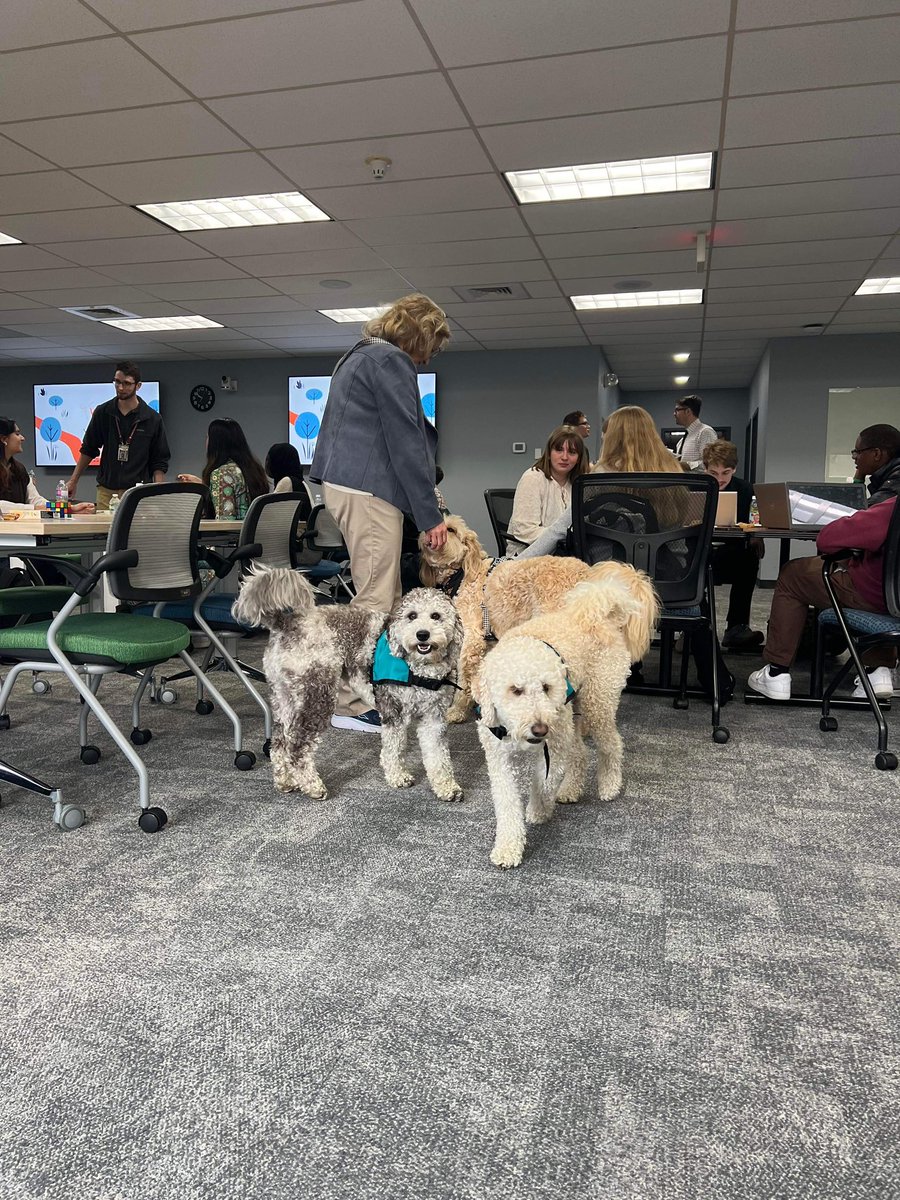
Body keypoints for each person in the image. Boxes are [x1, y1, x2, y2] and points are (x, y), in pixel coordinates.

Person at [309, 292, 450, 733]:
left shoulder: (360, 356)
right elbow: (404, 440)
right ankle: (348, 702)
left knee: (385, 596)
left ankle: (372, 690)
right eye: (432, 346)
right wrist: (429, 514)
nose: (428, 359)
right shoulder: (390, 361)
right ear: (419, 334)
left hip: (354, 486)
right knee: (374, 599)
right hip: (367, 489)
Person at [748, 497, 898, 701]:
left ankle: (776, 673)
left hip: (874, 595)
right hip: (892, 604)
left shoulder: (891, 509)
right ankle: (877, 671)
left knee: (793, 574)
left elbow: (827, 539)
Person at [66, 361, 170, 510]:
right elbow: (88, 449)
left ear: (138, 386)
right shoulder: (103, 412)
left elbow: (159, 460)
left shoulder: (152, 418)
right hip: (107, 491)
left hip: (138, 492)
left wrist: (158, 491)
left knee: (136, 532)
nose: (121, 388)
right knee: (105, 532)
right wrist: (73, 480)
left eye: (127, 383)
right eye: (117, 382)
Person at [702, 439, 765, 650]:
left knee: (749, 560)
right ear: (705, 468)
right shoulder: (697, 487)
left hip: (733, 549)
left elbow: (755, 520)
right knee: (693, 564)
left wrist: (756, 536)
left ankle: (736, 627)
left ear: (734, 469)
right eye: (713, 473)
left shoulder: (746, 489)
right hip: (703, 549)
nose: (719, 479)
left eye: (725, 473)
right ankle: (698, 629)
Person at [507, 425, 588, 547]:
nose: (564, 457)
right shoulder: (533, 478)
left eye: (572, 452)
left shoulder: (577, 485)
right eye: (559, 450)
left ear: (578, 458)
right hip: (529, 556)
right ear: (549, 454)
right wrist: (566, 537)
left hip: (566, 554)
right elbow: (525, 531)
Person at [0, 418, 95, 515]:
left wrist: (68, 508)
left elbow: (36, 500)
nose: (22, 438)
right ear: (4, 439)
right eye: (17, 434)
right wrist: (34, 508)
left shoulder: (19, 469)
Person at [177, 418, 268, 519]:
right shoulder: (253, 469)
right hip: (254, 534)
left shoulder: (221, 474)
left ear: (215, 444)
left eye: (207, 438)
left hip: (233, 534)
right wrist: (203, 485)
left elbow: (225, 520)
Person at [852, 423, 900, 506]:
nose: (854, 457)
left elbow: (862, 514)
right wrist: (858, 479)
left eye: (858, 451)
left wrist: (857, 481)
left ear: (876, 454)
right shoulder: (888, 476)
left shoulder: (895, 482)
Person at [673, 395, 717, 469]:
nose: (674, 414)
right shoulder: (682, 441)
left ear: (688, 411)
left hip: (698, 480)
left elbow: (711, 463)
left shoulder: (705, 432)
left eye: (677, 410)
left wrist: (687, 465)